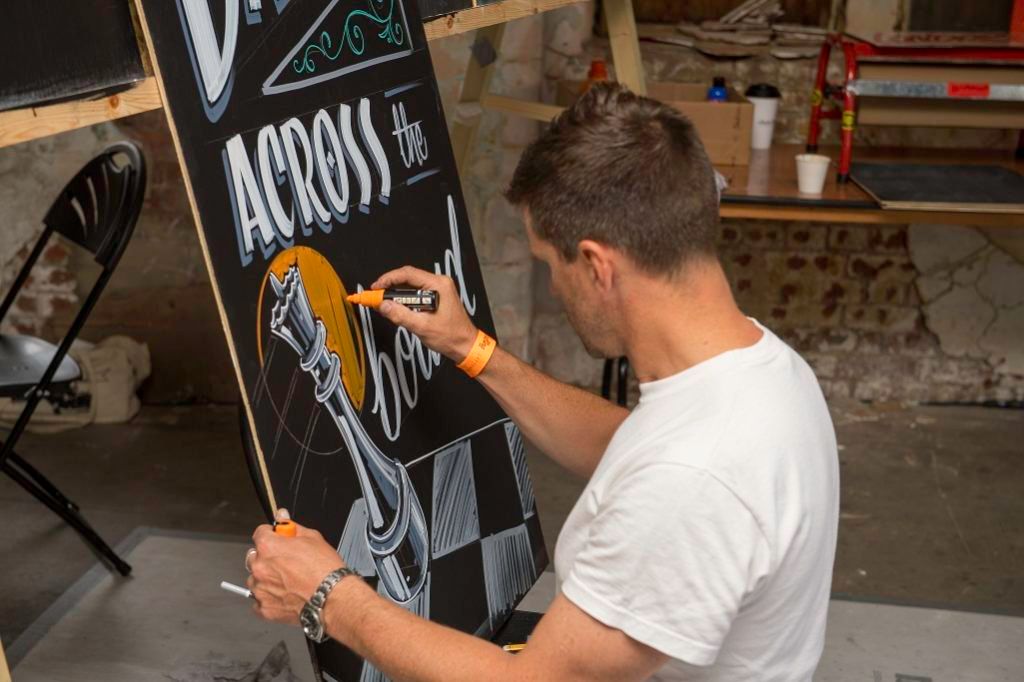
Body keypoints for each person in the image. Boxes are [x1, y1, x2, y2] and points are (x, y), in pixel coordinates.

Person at [247, 82, 839, 681]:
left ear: (596, 264)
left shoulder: (690, 478)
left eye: (550, 265)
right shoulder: (763, 371)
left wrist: (329, 596)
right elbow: (630, 444)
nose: (554, 288)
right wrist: (470, 348)